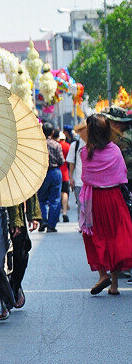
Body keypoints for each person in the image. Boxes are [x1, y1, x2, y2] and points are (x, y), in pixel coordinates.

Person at [78, 114, 132, 296]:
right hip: (114, 198)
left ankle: (103, 275)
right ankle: (114, 285)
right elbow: (122, 173)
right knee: (114, 238)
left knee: (95, 236)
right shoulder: (115, 150)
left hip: (94, 200)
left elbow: (85, 178)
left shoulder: (85, 152)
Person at [7, 195, 41, 309]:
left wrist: (33, 214)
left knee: (20, 254)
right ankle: (1, 294)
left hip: (16, 214)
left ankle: (15, 285)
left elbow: (28, 186)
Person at [37, 123, 64, 232]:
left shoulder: (39, 145)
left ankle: (43, 220)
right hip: (54, 172)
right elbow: (61, 161)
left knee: (41, 199)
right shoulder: (56, 145)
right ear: (52, 133)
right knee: (55, 199)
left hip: (42, 173)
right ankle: (51, 225)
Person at [67, 127, 85, 207]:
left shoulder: (95, 145)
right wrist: (71, 178)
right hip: (79, 182)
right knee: (81, 209)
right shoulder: (75, 145)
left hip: (93, 183)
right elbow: (72, 163)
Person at [57, 128, 71, 222]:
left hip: (57, 172)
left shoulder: (56, 145)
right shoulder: (68, 146)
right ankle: (65, 212)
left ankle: (56, 214)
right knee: (65, 193)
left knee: (56, 195)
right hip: (65, 173)